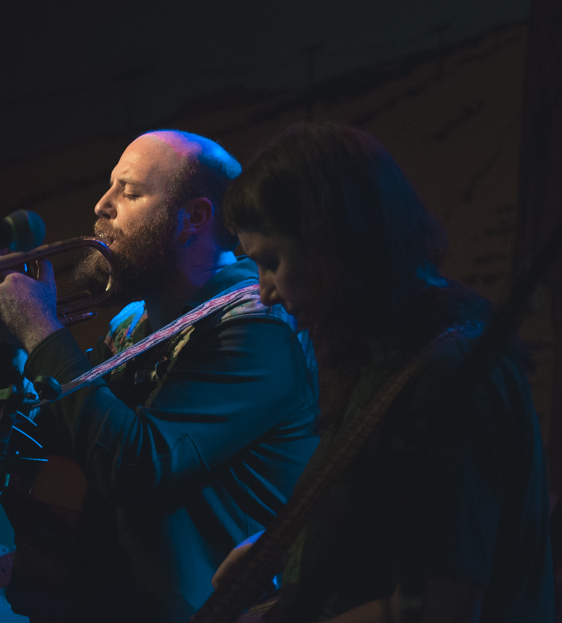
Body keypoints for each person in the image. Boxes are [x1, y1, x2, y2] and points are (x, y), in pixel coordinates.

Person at [0, 130, 320, 623]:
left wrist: (42, 331)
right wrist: (5, 348)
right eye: (110, 188)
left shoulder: (253, 330)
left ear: (193, 218)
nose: (101, 205)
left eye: (129, 193)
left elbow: (137, 466)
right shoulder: (133, 323)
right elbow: (49, 433)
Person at [211, 122, 553, 621]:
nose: (264, 291)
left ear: (332, 243)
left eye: (272, 261)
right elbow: (388, 511)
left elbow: (443, 607)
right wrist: (291, 546)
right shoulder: (382, 354)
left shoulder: (448, 368)